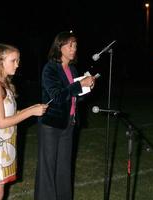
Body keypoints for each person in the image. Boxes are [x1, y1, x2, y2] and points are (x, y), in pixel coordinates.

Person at [0, 43, 48, 200]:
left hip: (5, 143)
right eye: (13, 60)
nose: (17, 64)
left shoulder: (4, 84)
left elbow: (10, 114)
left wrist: (32, 108)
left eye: (18, 60)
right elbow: (1, 122)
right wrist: (30, 112)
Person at [34, 31, 96, 200]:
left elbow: (74, 97)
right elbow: (57, 96)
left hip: (68, 123)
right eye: (69, 45)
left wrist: (87, 88)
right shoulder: (50, 68)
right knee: (48, 168)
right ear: (59, 47)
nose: (73, 48)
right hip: (51, 124)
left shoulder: (72, 69)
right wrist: (78, 85)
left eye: (75, 45)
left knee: (63, 168)